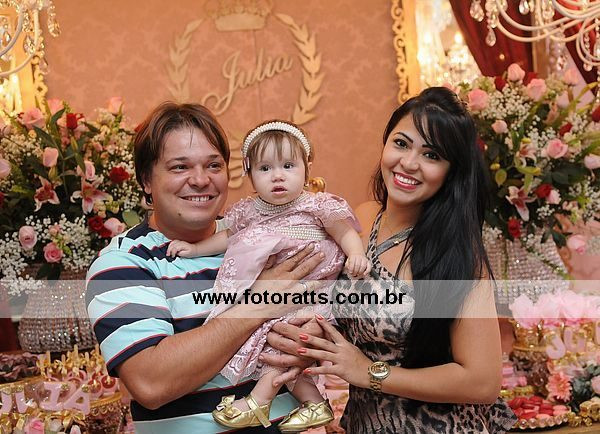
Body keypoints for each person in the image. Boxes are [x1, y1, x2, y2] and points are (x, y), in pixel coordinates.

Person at [286, 87, 517, 433]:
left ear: (451, 171)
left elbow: (482, 382)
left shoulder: (456, 255)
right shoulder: (363, 218)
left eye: (431, 154)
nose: (408, 163)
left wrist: (368, 372)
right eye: (401, 143)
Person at [85, 103, 324, 433]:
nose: (200, 180)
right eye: (180, 167)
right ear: (146, 180)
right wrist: (258, 305)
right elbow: (150, 382)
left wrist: (310, 338)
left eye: (213, 165)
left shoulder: (263, 236)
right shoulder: (124, 262)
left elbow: (325, 308)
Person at [166, 120, 369, 431]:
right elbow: (227, 238)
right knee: (272, 346)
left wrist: (356, 254)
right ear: (249, 173)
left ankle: (259, 401)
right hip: (274, 297)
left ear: (307, 168)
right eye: (265, 168)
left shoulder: (316, 205)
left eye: (288, 165)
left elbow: (344, 232)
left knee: (283, 344)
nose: (277, 176)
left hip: (312, 293)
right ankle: (314, 403)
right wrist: (195, 250)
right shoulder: (250, 211)